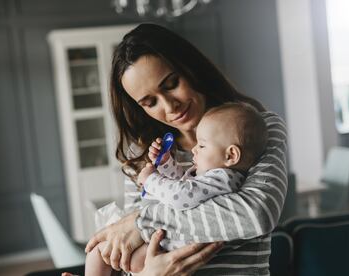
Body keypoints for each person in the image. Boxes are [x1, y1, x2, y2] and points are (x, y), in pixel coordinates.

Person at [79, 22, 287, 276]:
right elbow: (132, 255)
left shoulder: (256, 129)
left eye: (171, 84)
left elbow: (256, 214)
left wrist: (140, 222)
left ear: (190, 68)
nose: (170, 106)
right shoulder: (144, 156)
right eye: (150, 102)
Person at [85, 102, 269, 275]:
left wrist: (150, 180)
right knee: (108, 255)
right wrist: (166, 164)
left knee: (99, 253)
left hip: (169, 249)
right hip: (168, 247)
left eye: (202, 145)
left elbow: (181, 196)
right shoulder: (218, 178)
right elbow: (184, 184)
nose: (195, 150)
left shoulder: (222, 178)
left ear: (231, 155)